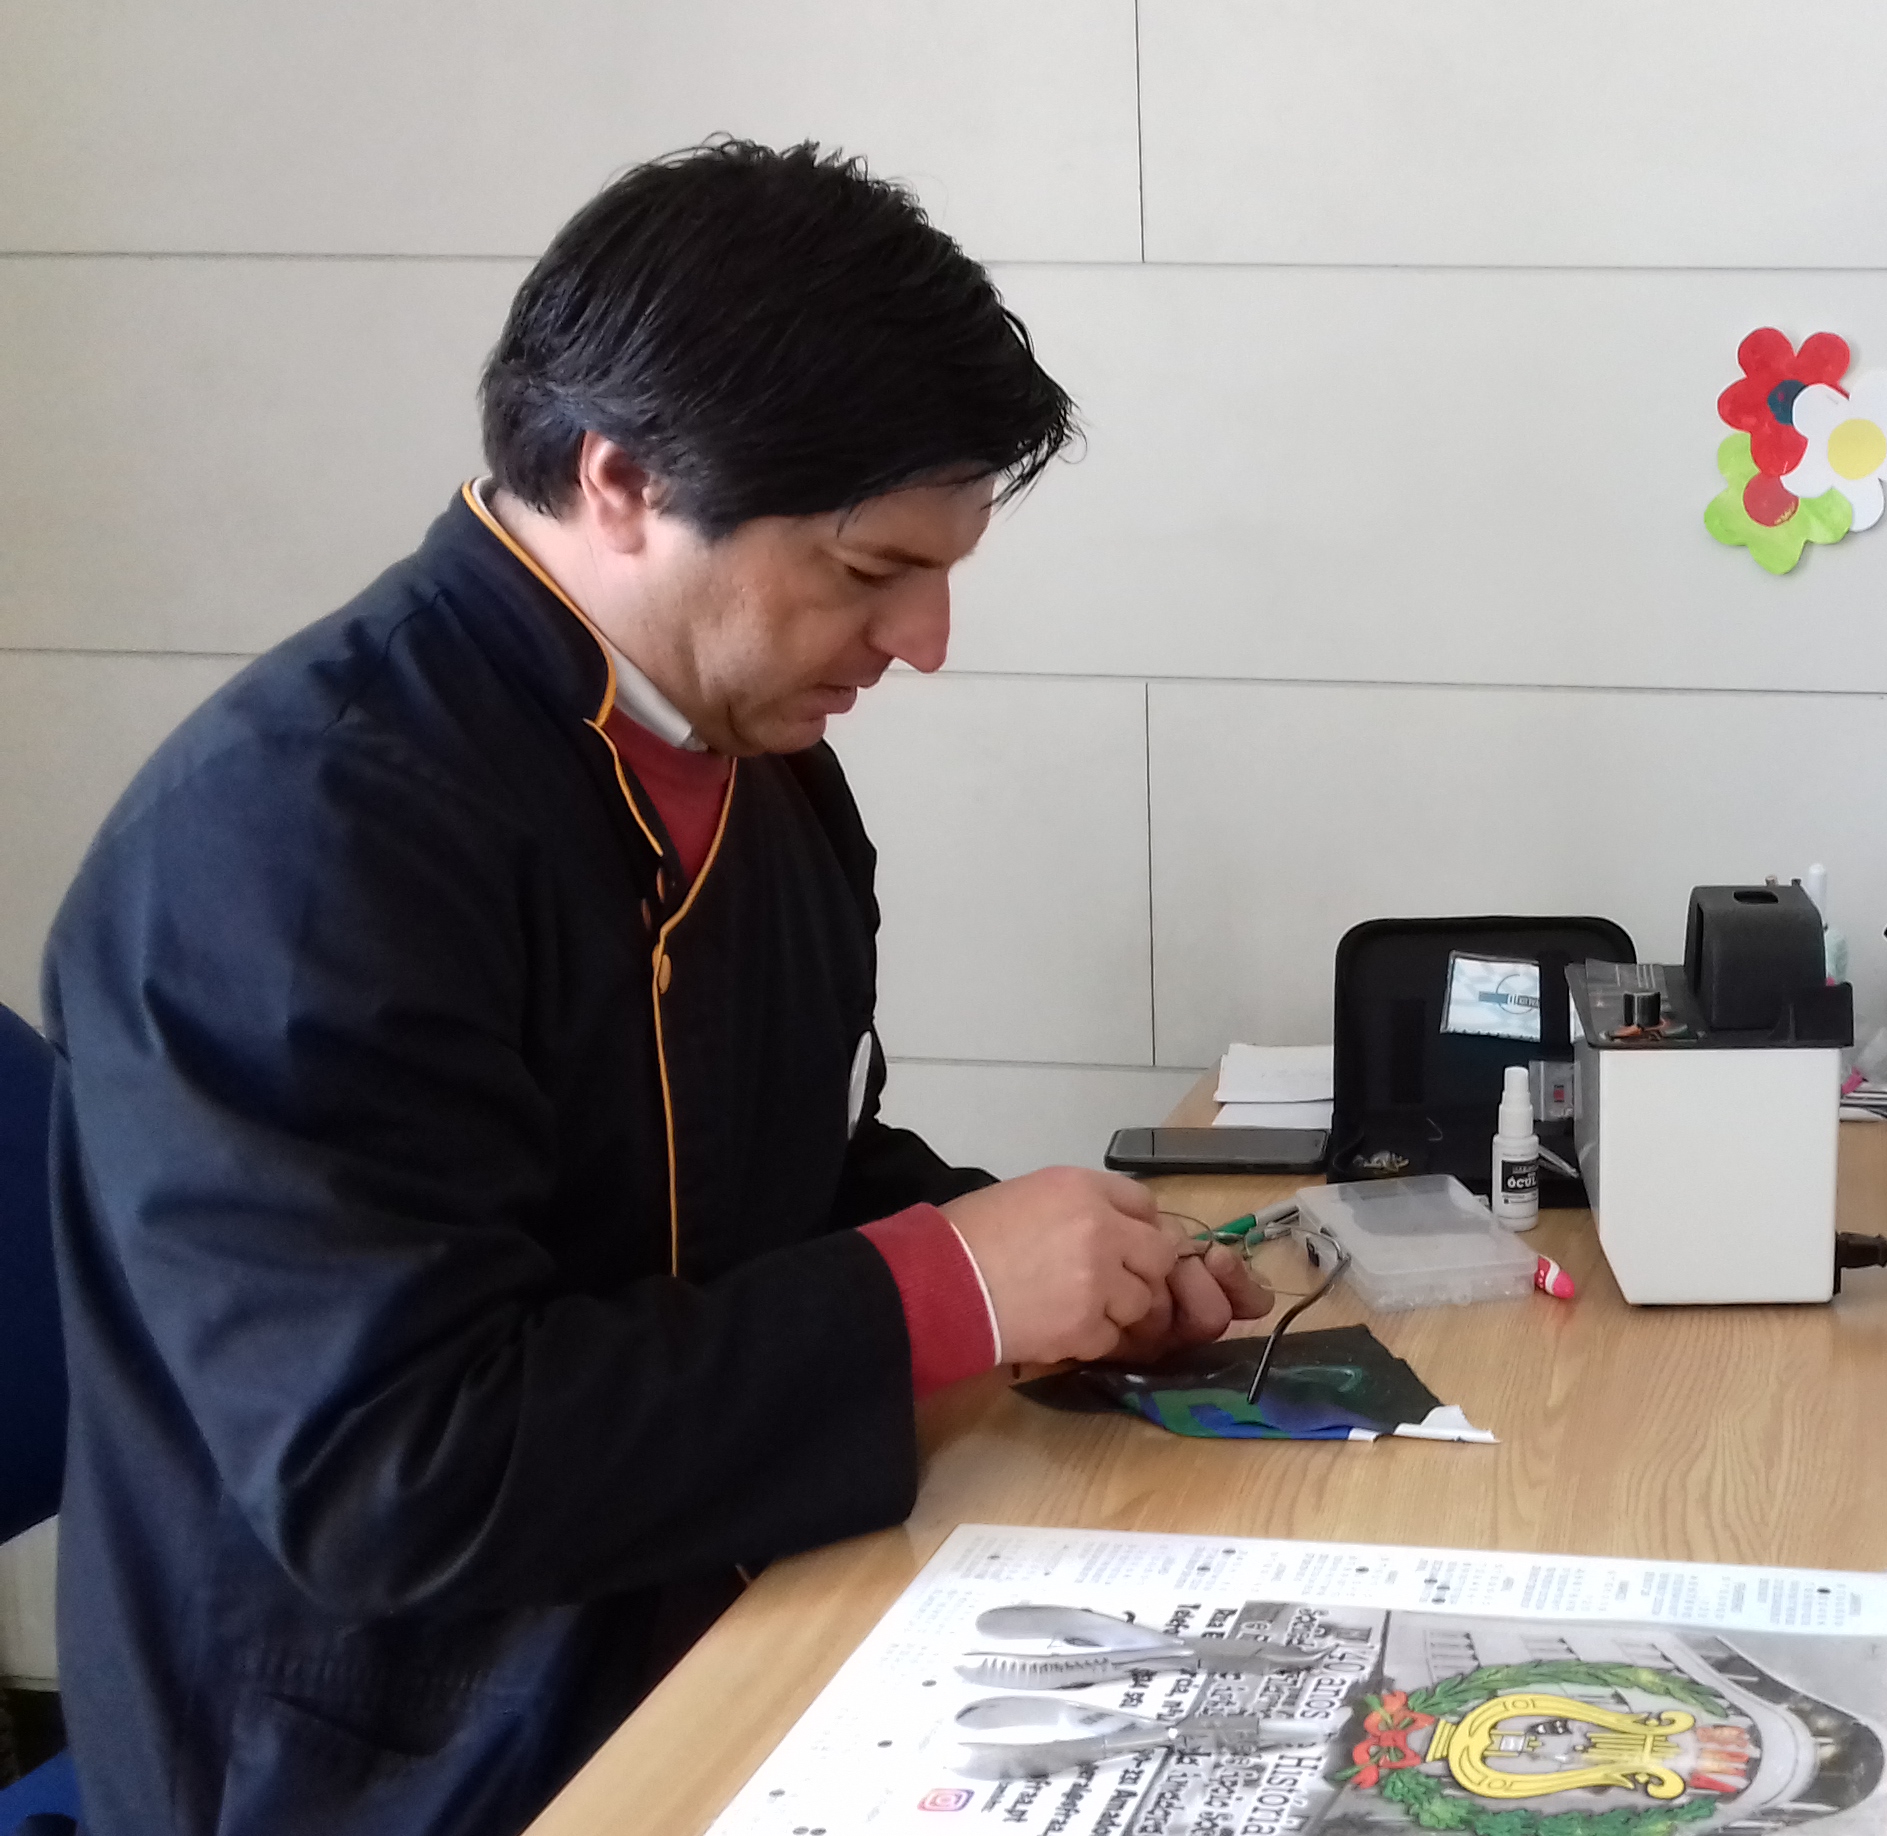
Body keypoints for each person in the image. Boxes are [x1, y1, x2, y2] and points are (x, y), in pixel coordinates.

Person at [43, 140, 1269, 1836]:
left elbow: (757, 1178)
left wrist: (1072, 1257)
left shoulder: (751, 752)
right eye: (869, 571)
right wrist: (943, 1291)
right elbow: (395, 1473)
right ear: (621, 481)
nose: (922, 641)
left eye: (945, 570)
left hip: (716, 1611)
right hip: (394, 1757)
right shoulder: (297, 842)